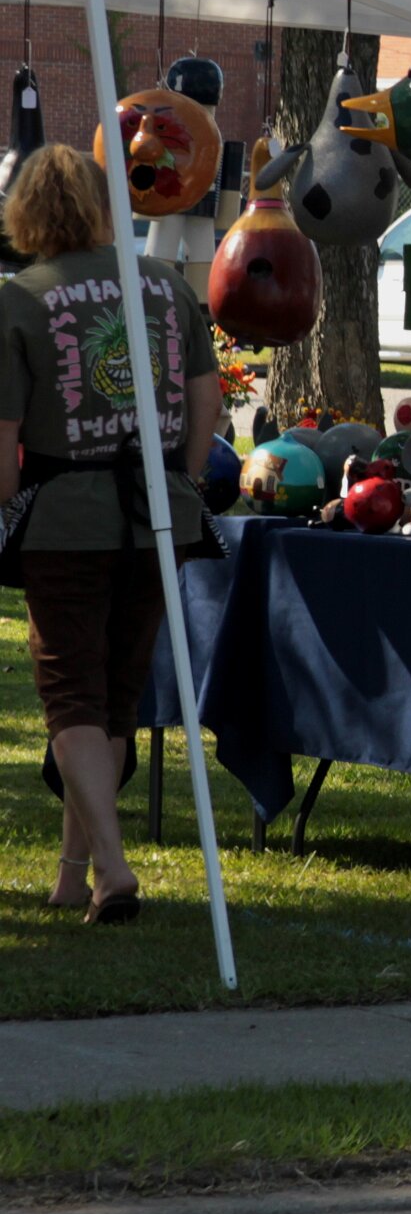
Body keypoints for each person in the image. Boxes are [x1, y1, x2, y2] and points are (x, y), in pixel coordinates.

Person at [0, 146, 223, 925]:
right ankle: (76, 875)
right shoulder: (163, 283)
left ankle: (112, 866)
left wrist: (10, 510)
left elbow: (2, 447)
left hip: (66, 517)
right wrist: (178, 481)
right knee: (115, 698)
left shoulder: (21, 299)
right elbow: (206, 404)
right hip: (156, 514)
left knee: (72, 697)